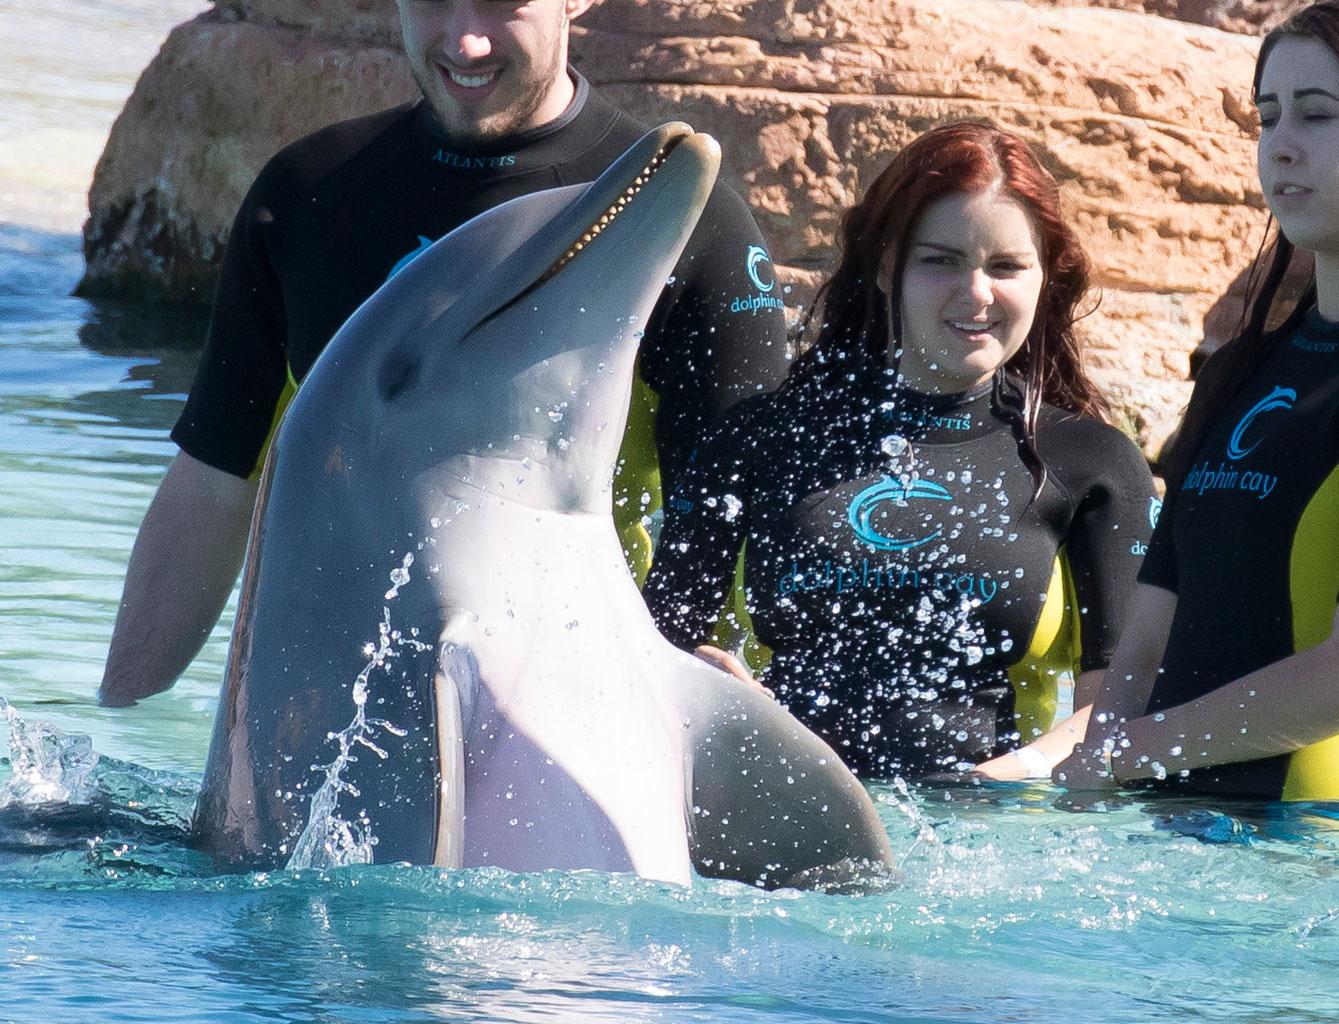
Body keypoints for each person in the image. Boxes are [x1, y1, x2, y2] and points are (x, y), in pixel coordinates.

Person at [96, 0, 789, 707]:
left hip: (575, 695)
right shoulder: (310, 195)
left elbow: (737, 515)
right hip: (330, 697)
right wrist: (117, 711)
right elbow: (215, 478)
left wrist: (685, 704)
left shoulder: (672, 216)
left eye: (501, 3)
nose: (465, 39)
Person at [644, 122, 1156, 780]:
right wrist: (714, 696)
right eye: (940, 260)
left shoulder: (1092, 461)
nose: (975, 293)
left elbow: (1121, 704)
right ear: (887, 266)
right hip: (785, 810)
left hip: (990, 835)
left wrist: (1010, 775)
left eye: (1005, 266)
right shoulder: (760, 439)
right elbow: (653, 648)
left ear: (1045, 278)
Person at [1054, 0, 1339, 800]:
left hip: (1303, 867)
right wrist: (1098, 772)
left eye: (1316, 115)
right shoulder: (1243, 371)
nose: (1279, 144)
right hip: (1172, 852)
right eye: (1267, 116)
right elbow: (1152, 624)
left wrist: (1128, 753)